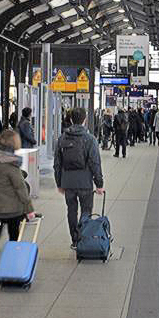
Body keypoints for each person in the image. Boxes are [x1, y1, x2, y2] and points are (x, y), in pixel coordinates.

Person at [0, 128, 36, 281]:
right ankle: (11, 265)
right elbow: (21, 189)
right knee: (14, 237)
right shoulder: (12, 165)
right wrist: (29, 209)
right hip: (12, 210)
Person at [55, 106, 105, 249]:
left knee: (71, 211)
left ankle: (75, 241)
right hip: (85, 183)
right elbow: (95, 162)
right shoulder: (90, 139)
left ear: (71, 119)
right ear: (84, 120)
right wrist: (99, 184)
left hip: (68, 182)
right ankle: (84, 239)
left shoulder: (62, 138)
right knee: (86, 211)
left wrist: (59, 183)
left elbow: (57, 164)